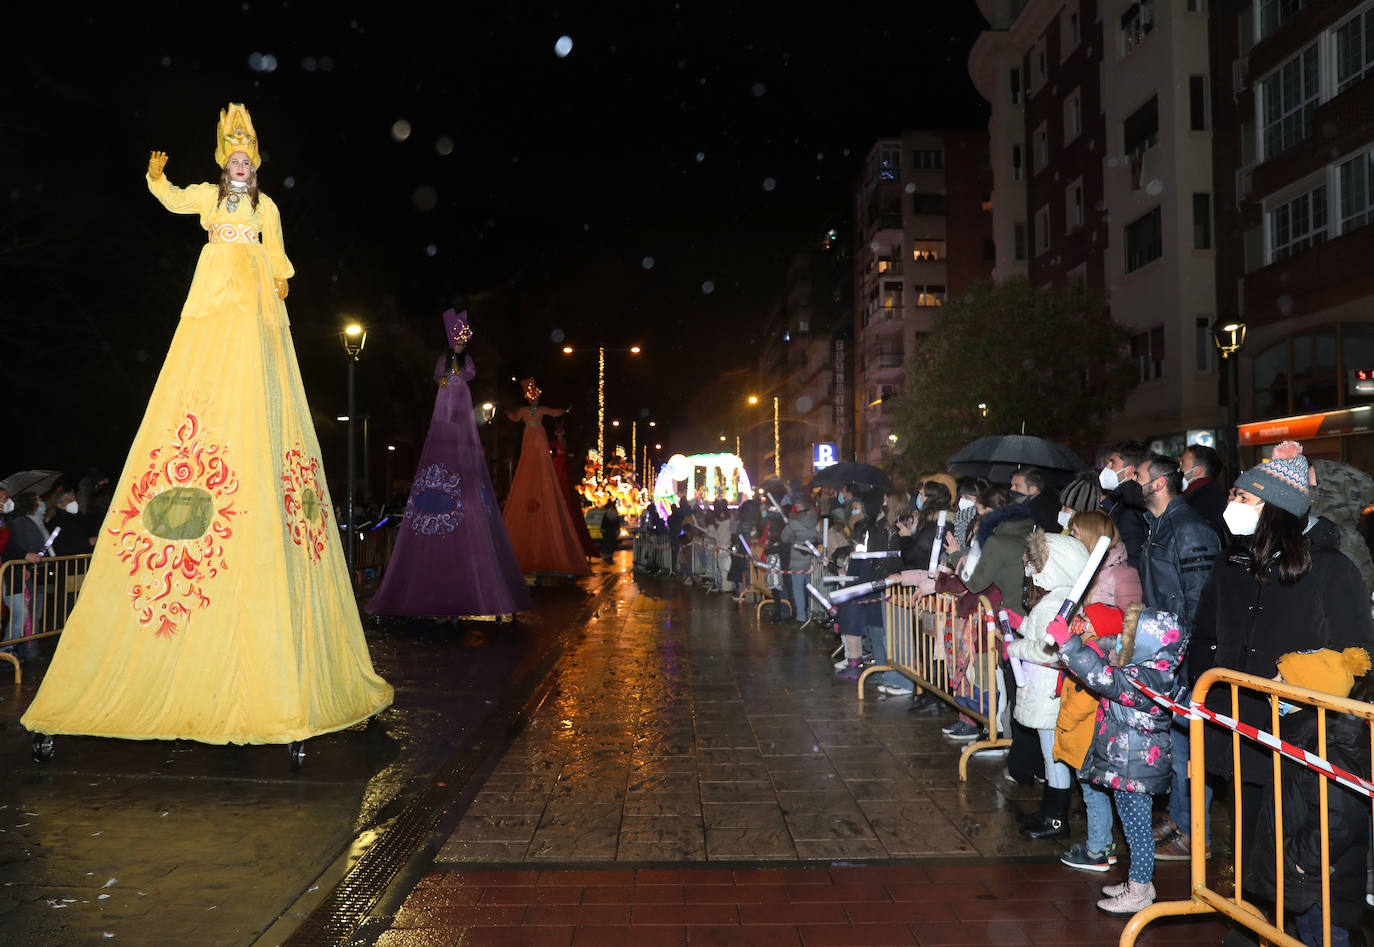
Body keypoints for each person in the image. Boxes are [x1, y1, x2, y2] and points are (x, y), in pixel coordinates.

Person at [22, 104, 393, 746]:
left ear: (258, 165)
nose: (243, 166)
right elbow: (170, 200)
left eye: (250, 158)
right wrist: (156, 179)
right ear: (225, 163)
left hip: (251, 298)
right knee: (203, 361)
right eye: (235, 158)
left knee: (255, 364)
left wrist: (277, 281)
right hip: (212, 292)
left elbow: (278, 254)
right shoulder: (209, 200)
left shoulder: (266, 208)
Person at [1192, 442, 1374, 869]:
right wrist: (1201, 690)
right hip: (1236, 725)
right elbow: (1204, 634)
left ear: (1274, 507)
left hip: (1300, 737)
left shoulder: (1331, 570)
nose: (1231, 504)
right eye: (1233, 495)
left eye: (1243, 497)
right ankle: (1251, 917)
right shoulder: (1232, 562)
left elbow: (1359, 655)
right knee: (1247, 832)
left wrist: (1300, 686)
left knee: (1292, 852)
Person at [366, 310, 534, 617]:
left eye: (462, 340)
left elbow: (469, 373)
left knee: (459, 419)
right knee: (444, 415)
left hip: (460, 398)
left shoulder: (465, 362)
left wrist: (458, 374)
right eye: (456, 339)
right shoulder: (444, 360)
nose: (459, 344)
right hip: (446, 399)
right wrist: (447, 377)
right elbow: (438, 376)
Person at [1050, 605, 1189, 915]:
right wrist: (1092, 640)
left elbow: (1103, 677)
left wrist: (1069, 645)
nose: (1124, 641)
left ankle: (1140, 890)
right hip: (1126, 764)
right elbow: (1113, 648)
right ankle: (1139, 882)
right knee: (1131, 825)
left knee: (1138, 831)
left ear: (1148, 644)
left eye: (1132, 636)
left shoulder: (1146, 678)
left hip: (1135, 767)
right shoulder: (1148, 665)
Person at [1123, 452, 1222, 861]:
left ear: (1160, 483)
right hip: (1165, 653)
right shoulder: (1158, 526)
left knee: (1189, 749)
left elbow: (1200, 600)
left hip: (1183, 656)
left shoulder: (1189, 530)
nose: (1131, 479)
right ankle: (1181, 819)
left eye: (1139, 475)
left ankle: (1196, 834)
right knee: (1175, 746)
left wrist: (1182, 653)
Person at [1246, 647, 1372, 947]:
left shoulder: (1332, 746)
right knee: (1306, 935)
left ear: (1308, 693)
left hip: (1321, 880)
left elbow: (1339, 818)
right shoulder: (1295, 732)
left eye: (1283, 678)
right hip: (1302, 876)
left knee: (1326, 937)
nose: (1272, 681)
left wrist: (1300, 862)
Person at [1005, 531, 1090, 839]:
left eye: (1037, 562)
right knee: (1050, 753)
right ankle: (1050, 811)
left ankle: (1056, 818)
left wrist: (1015, 647)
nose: (1030, 568)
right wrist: (1021, 624)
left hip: (1048, 690)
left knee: (1053, 754)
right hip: (1046, 688)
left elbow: (1048, 650)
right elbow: (1040, 632)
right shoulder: (1061, 599)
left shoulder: (1056, 602)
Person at [501, 378, 592, 576]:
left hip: (539, 436)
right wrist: (508, 413)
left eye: (535, 398)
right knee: (528, 456)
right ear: (528, 399)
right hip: (530, 435)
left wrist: (564, 411)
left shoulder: (541, 410)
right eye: (531, 398)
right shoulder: (525, 412)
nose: (533, 401)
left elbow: (553, 412)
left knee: (541, 456)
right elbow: (516, 417)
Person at [1098, 440, 1150, 568]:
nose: (1107, 468)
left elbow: (1132, 555)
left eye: (1112, 463)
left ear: (1130, 471)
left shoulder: (1131, 507)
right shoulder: (1123, 500)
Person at [1179, 443, 1228, 542]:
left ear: (1197, 471)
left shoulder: (1205, 501)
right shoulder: (1198, 494)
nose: (1179, 468)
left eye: (1182, 463)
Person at [1010, 466, 1062, 533]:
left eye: (1017, 486)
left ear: (1033, 489)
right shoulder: (1026, 506)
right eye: (1012, 485)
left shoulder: (1042, 512)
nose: (1012, 489)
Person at [598, 497, 621, 563]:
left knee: (607, 543)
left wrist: (603, 529)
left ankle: (606, 555)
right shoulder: (615, 515)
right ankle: (609, 556)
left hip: (607, 532)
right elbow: (617, 524)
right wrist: (617, 531)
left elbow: (603, 523)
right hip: (612, 532)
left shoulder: (607, 514)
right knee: (611, 544)